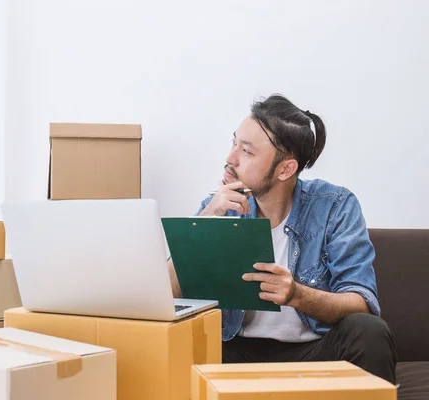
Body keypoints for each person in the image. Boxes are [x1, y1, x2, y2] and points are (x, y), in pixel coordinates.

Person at [167, 94, 397, 383]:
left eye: (247, 152)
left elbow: (361, 302)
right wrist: (203, 223)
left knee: (369, 331)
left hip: (313, 351)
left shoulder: (335, 206)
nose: (230, 159)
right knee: (178, 339)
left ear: (285, 169)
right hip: (234, 352)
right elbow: (168, 293)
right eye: (233, 142)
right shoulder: (218, 207)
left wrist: (297, 295)